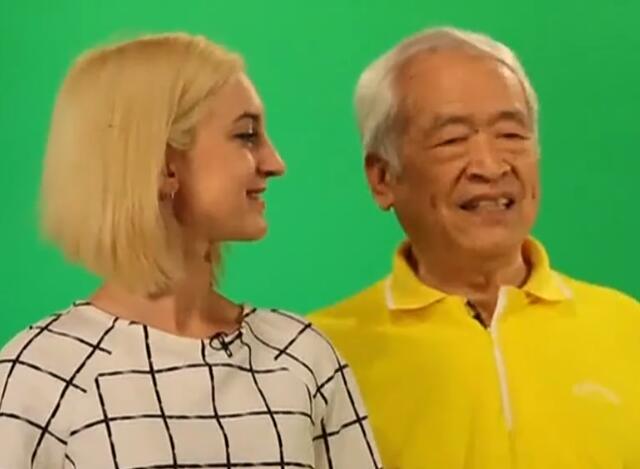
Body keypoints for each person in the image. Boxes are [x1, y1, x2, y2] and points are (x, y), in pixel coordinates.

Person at [0, 33, 381, 469]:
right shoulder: (38, 378)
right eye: (246, 135)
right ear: (164, 164)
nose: (275, 162)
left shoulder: (303, 358)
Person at [311, 26, 640, 469]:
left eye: (511, 134)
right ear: (383, 177)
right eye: (452, 139)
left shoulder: (628, 328)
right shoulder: (318, 358)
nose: (490, 165)